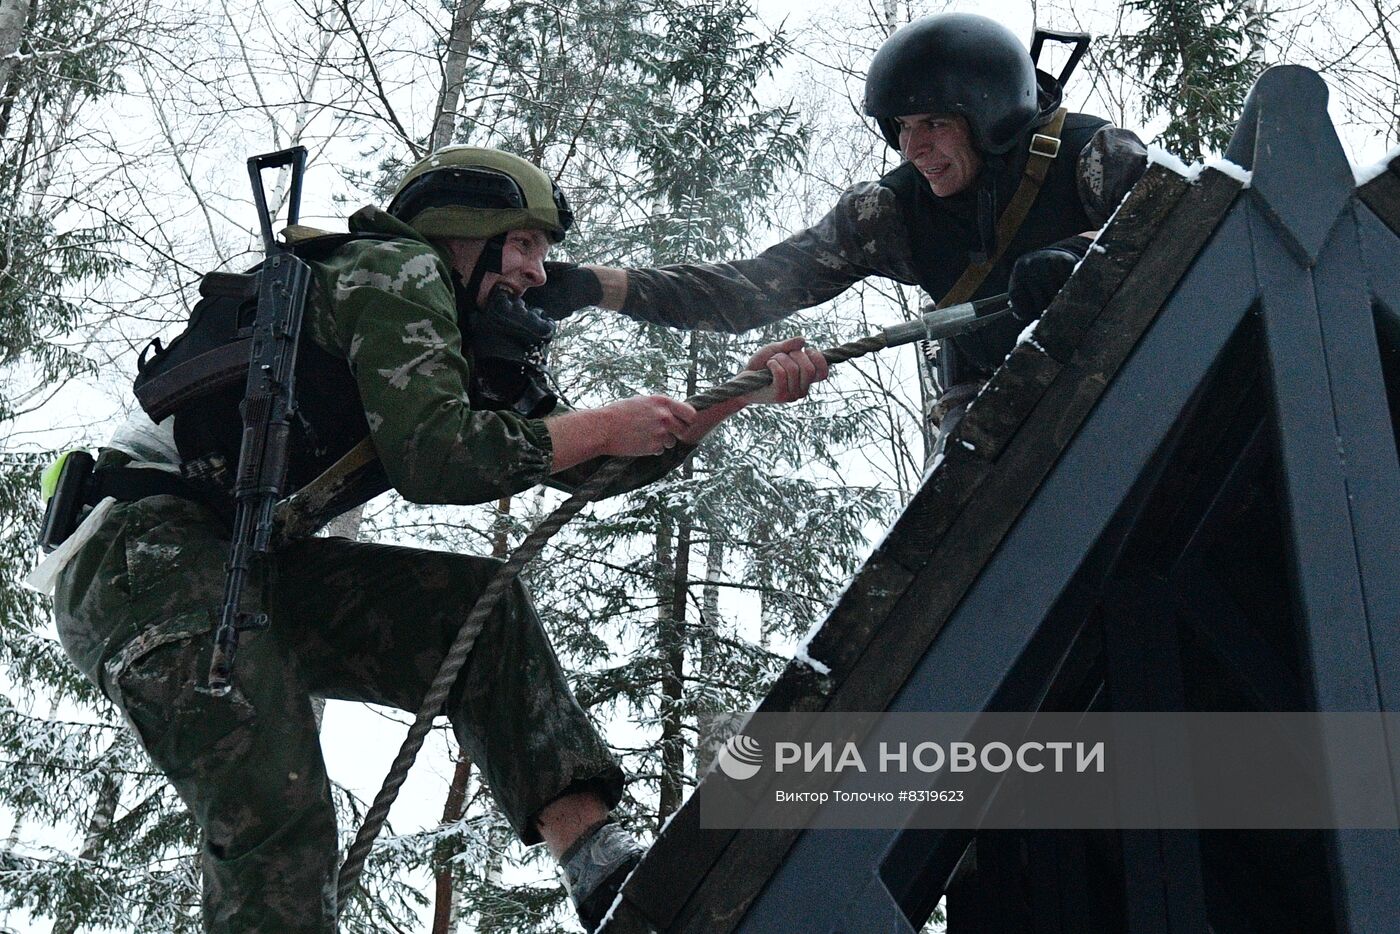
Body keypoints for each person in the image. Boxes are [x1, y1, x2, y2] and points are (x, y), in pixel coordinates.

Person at [43, 146, 826, 933]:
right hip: (143, 556)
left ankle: (601, 870)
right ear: (462, 231)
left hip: (242, 561)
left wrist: (735, 397)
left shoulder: (470, 344)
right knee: (276, 809)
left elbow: (591, 469)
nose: (536, 273)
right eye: (522, 244)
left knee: (475, 614)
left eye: (543, 253)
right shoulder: (394, 271)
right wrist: (598, 425)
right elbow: (436, 455)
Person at [525, 13, 1149, 447]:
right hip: (993, 404)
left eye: (932, 124)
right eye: (901, 128)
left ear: (986, 112)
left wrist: (1082, 257)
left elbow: (1185, 238)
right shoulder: (888, 215)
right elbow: (751, 289)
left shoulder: (1091, 157)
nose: (914, 149)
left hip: (1134, 365)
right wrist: (597, 287)